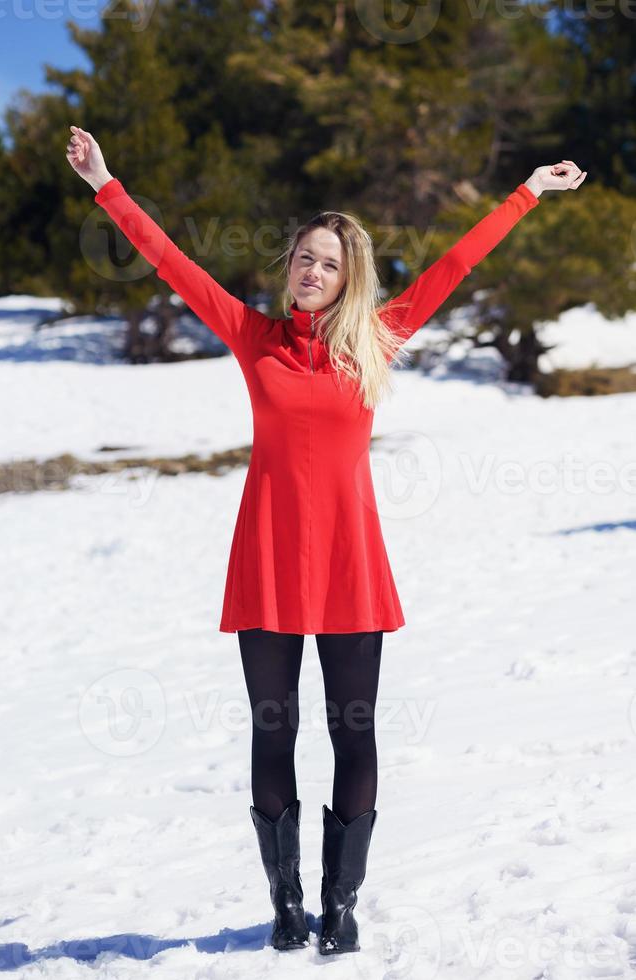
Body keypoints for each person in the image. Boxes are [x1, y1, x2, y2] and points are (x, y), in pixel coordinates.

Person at [66, 125, 587, 954]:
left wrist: (526, 191)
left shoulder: (372, 341)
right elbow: (171, 262)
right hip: (268, 562)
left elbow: (455, 265)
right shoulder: (253, 337)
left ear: (349, 280)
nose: (311, 271)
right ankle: (285, 902)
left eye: (328, 263)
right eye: (303, 258)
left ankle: (341, 903)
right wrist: (106, 184)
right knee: (272, 730)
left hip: (348, 563)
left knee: (354, 730)